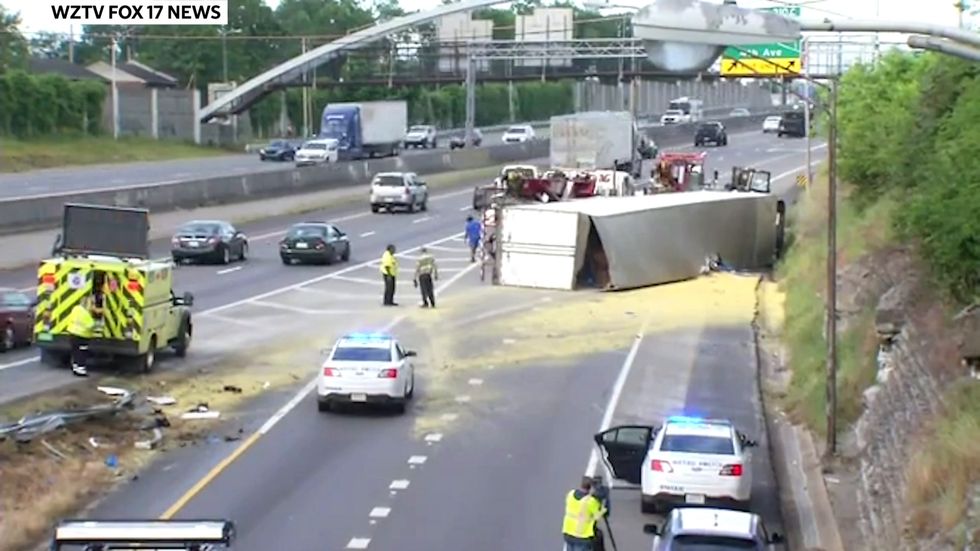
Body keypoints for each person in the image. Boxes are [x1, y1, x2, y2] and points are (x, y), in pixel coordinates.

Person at [562, 476, 607, 551]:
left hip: (568, 533)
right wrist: (603, 509)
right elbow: (597, 516)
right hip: (582, 536)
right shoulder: (590, 501)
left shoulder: (570, 494)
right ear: (591, 488)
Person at [67, 297, 99, 377]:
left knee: (75, 352)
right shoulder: (86, 314)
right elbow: (91, 325)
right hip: (82, 336)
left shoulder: (76, 309)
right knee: (82, 353)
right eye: (92, 304)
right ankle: (81, 370)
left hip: (72, 334)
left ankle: (75, 368)